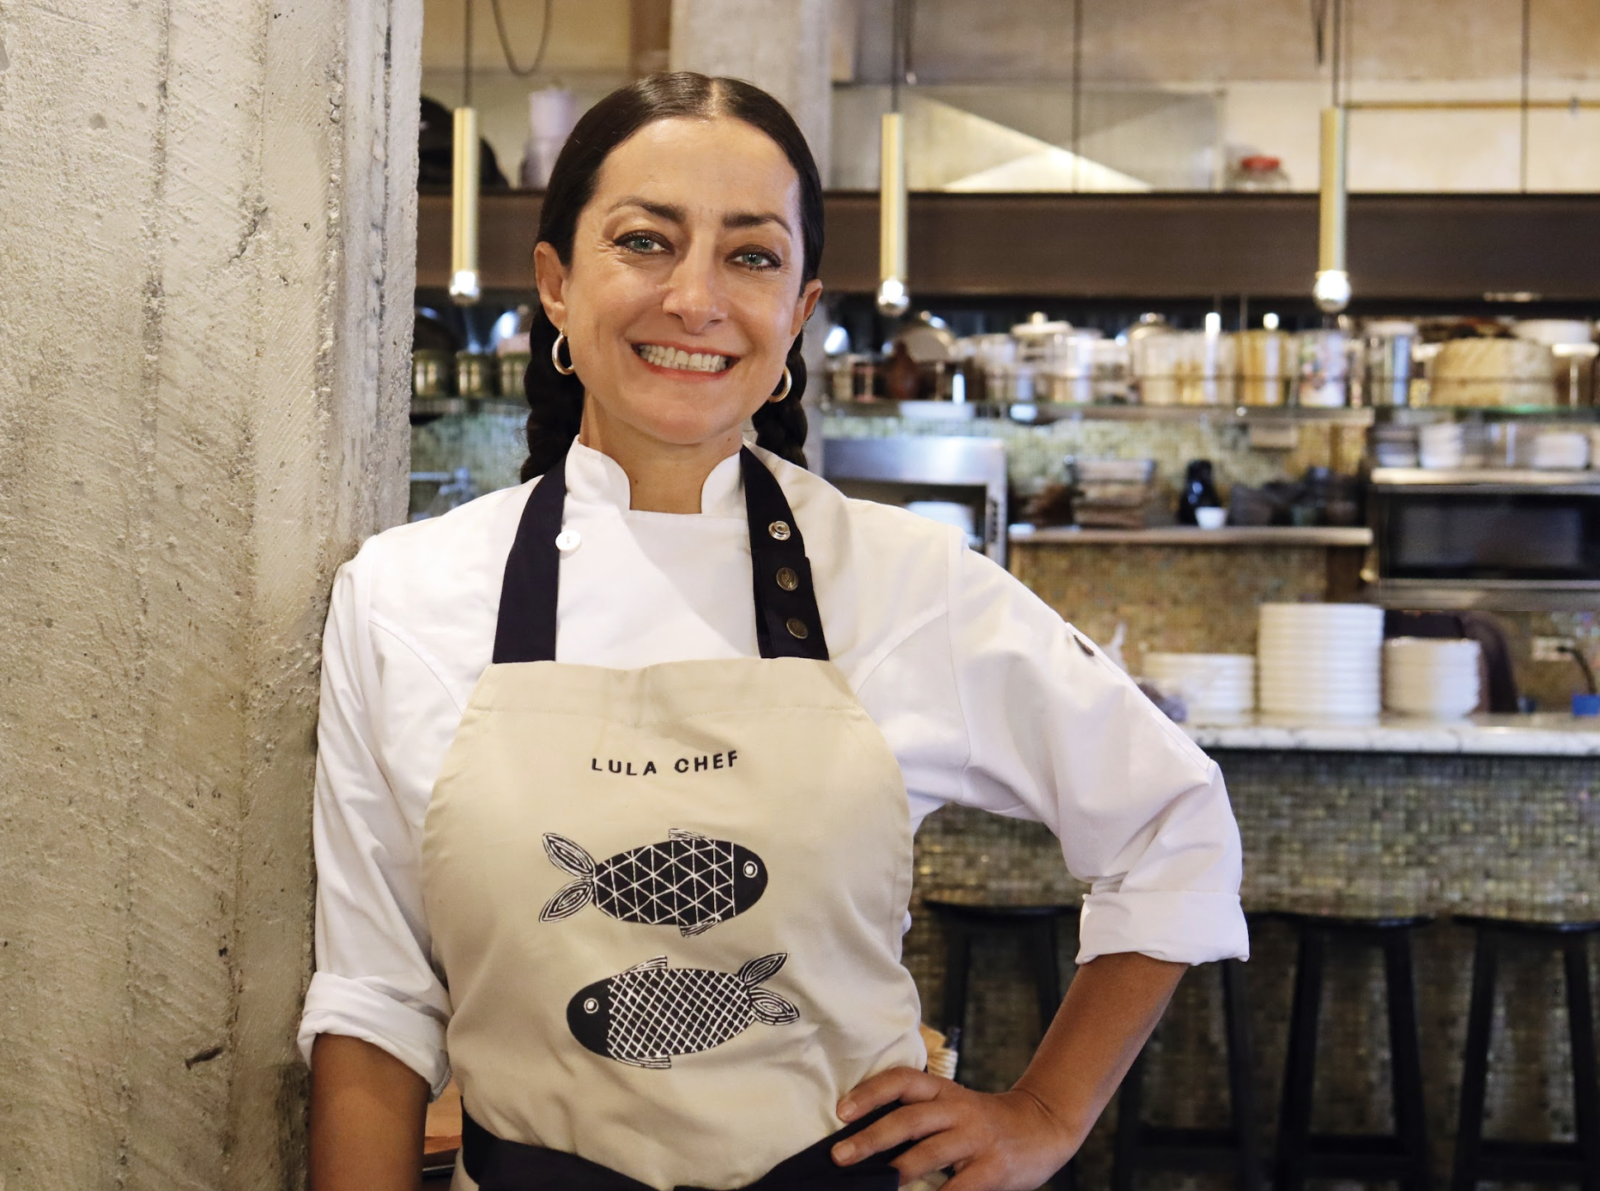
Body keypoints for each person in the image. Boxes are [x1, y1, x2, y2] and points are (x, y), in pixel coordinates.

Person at [301, 72, 1248, 1191]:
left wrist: (1043, 1111)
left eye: (750, 256)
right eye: (646, 241)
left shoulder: (905, 583)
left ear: (798, 311)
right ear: (555, 282)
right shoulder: (405, 596)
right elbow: (376, 998)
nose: (694, 298)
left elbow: (1173, 825)